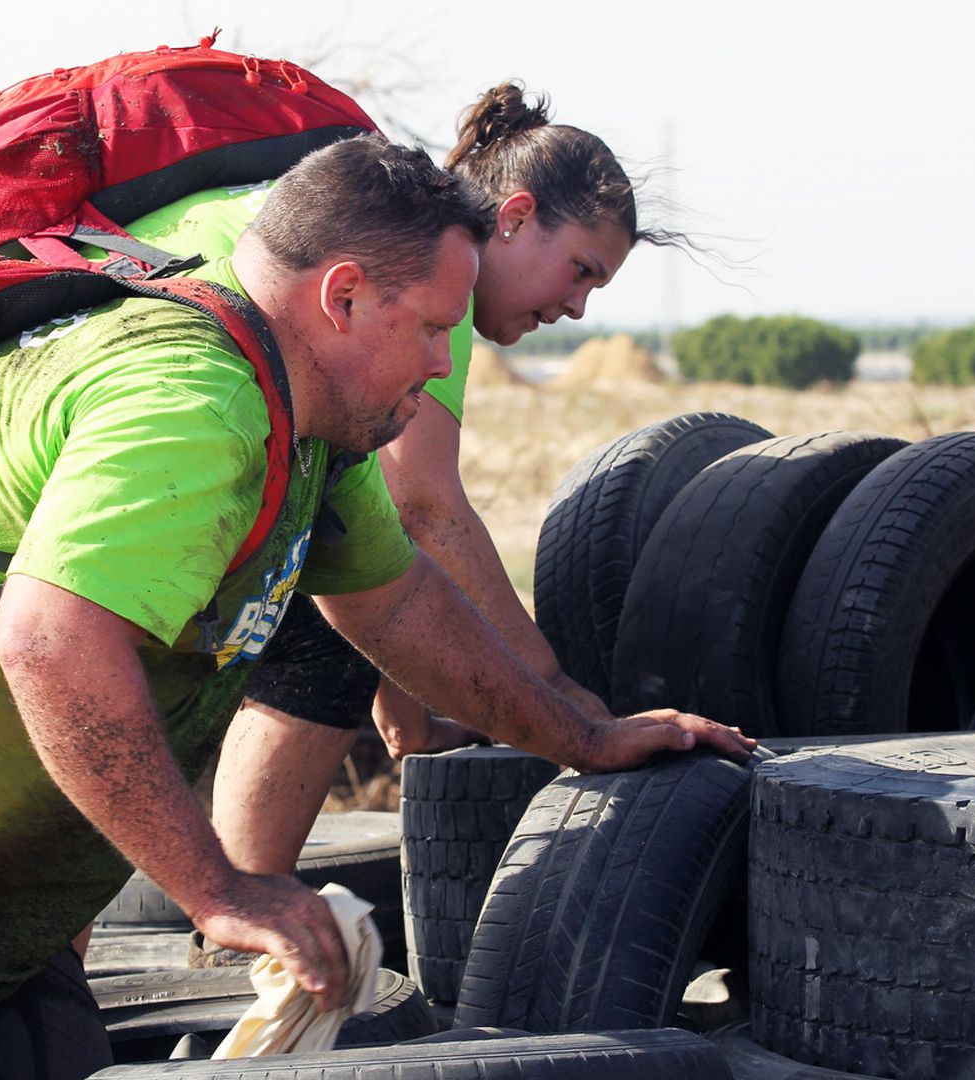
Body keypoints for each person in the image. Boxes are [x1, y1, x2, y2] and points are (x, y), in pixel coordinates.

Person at [0, 134, 752, 1080]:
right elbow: (51, 640)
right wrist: (220, 887)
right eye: (430, 328)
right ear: (343, 297)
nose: (443, 357)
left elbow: (404, 612)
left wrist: (583, 736)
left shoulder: (320, 430)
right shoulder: (192, 400)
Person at [147, 84, 695, 883]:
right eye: (580, 270)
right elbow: (423, 509)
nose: (576, 307)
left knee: (332, 573)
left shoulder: (400, 236)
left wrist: (409, 717)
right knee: (324, 627)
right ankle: (243, 911)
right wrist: (562, 700)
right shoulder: (438, 272)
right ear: (512, 217)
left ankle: (233, 910)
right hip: (151, 412)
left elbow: (371, 510)